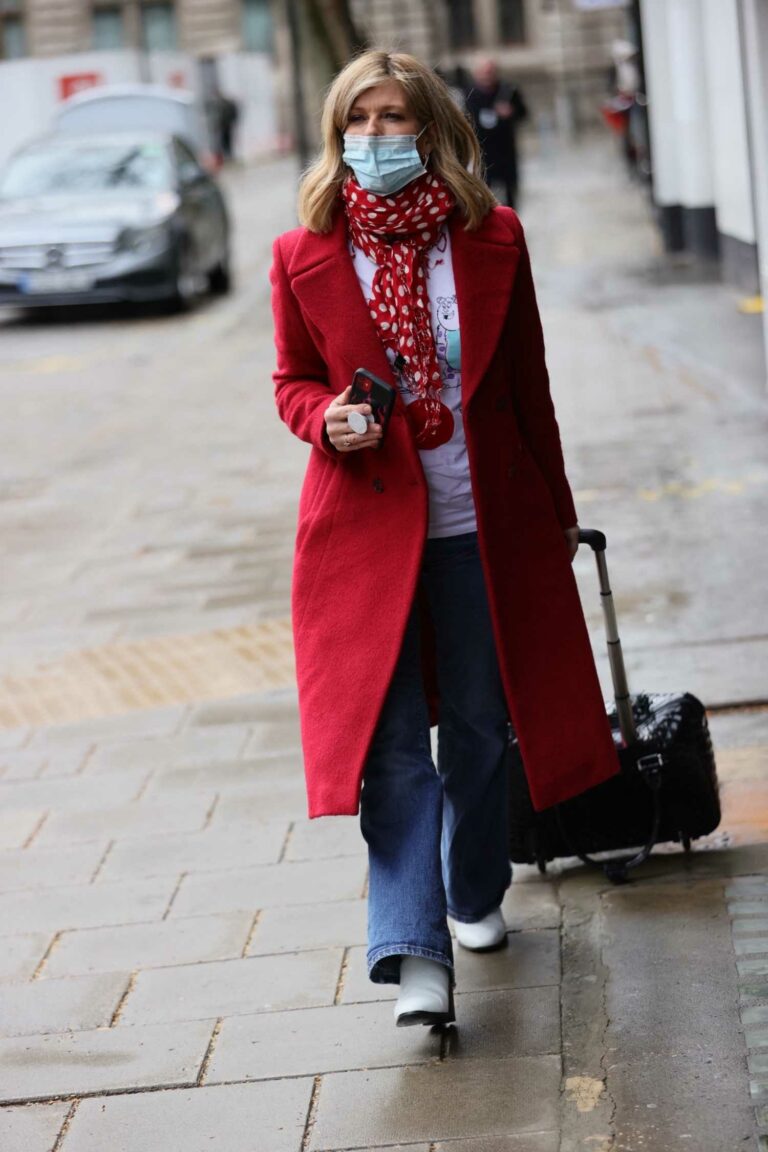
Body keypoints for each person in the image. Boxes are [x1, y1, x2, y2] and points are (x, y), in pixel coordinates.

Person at [270, 50, 618, 1029]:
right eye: (361, 121)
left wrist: (555, 513)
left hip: (479, 525)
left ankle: (473, 894)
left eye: (395, 119)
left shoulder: (493, 236)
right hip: (363, 538)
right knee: (391, 754)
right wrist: (323, 419)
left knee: (477, 730)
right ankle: (411, 951)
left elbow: (529, 393)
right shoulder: (305, 252)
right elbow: (291, 381)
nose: (378, 139)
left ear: (431, 128)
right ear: (339, 132)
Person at [464, 57, 527, 209]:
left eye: (490, 72)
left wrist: (511, 112)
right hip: (481, 151)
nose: (487, 76)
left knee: (510, 190)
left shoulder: (508, 90)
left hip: (505, 150)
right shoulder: (468, 93)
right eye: (483, 72)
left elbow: (524, 113)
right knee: (483, 190)